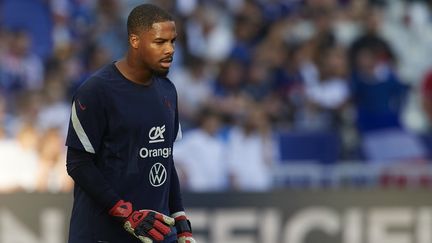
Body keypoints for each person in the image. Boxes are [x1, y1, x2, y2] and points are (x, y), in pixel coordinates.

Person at [65, 4, 196, 243]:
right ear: (134, 40)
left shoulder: (167, 90)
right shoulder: (96, 91)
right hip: (102, 234)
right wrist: (125, 213)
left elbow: (165, 159)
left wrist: (181, 222)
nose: (170, 50)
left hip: (156, 233)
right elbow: (77, 164)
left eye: (172, 41)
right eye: (160, 42)